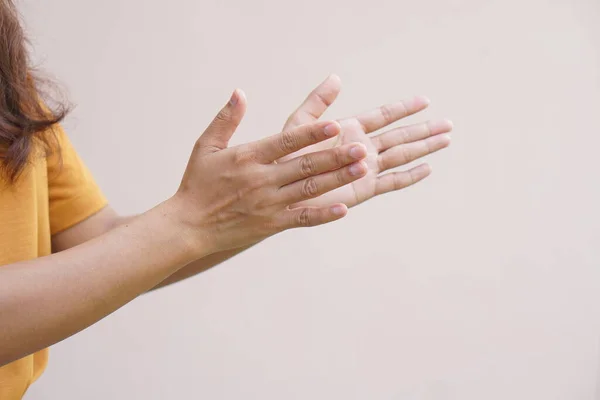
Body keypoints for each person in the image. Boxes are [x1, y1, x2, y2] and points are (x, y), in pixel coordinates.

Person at [0, 1, 452, 398]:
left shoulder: (12, 85)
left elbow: (96, 247)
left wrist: (276, 194)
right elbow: (166, 234)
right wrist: (192, 219)